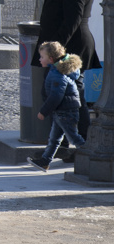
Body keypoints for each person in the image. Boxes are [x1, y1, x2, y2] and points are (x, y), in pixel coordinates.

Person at [33, 0, 102, 149]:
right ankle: (64, 144)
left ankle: (80, 144)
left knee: (69, 96)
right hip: (69, 46)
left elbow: (72, 19)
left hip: (69, 47)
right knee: (65, 95)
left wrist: (56, 51)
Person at [29, 42, 86, 171]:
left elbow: (56, 96)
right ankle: (45, 161)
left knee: (74, 138)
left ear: (51, 59)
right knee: (54, 139)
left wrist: (43, 111)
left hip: (65, 112)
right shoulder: (57, 70)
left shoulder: (57, 75)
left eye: (42, 57)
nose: (39, 59)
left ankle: (91, 156)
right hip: (61, 112)